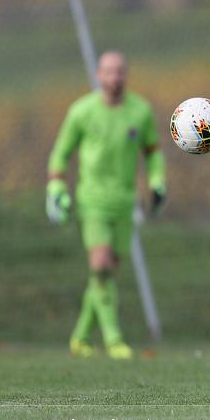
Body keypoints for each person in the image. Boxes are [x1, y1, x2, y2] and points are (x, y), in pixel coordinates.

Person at [46, 51, 166, 359]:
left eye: (120, 71)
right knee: (99, 266)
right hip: (92, 201)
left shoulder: (140, 111)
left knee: (106, 273)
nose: (115, 77)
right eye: (109, 72)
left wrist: (157, 181)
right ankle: (114, 340)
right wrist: (57, 186)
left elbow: (153, 152)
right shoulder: (81, 111)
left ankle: (80, 337)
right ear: (98, 76)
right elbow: (61, 153)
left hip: (124, 204)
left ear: (126, 74)